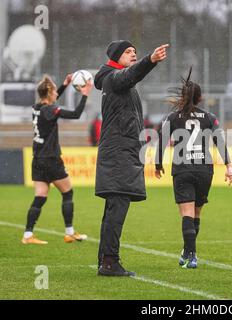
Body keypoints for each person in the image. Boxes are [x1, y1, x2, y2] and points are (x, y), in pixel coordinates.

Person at [94, 40, 169, 276]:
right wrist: (150, 60)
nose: (134, 54)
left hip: (122, 152)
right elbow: (131, 75)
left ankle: (105, 260)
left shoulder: (117, 79)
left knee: (114, 208)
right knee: (117, 208)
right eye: (128, 52)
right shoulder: (114, 78)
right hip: (119, 153)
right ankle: (109, 262)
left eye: (136, 51)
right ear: (116, 58)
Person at [155, 68, 232, 269]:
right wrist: (228, 166)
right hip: (204, 170)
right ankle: (188, 252)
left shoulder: (172, 118)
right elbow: (220, 142)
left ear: (183, 97)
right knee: (196, 213)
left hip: (183, 169)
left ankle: (191, 254)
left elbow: (162, 141)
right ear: (199, 98)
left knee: (186, 213)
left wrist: (158, 164)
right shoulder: (210, 117)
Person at [22, 74, 93, 244]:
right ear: (49, 93)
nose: (56, 94)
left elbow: (51, 101)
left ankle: (27, 235)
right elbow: (76, 114)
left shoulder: (36, 107)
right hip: (51, 159)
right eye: (55, 91)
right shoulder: (51, 110)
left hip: (37, 158)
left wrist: (64, 84)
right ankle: (69, 232)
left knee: (40, 196)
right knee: (67, 192)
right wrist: (85, 94)